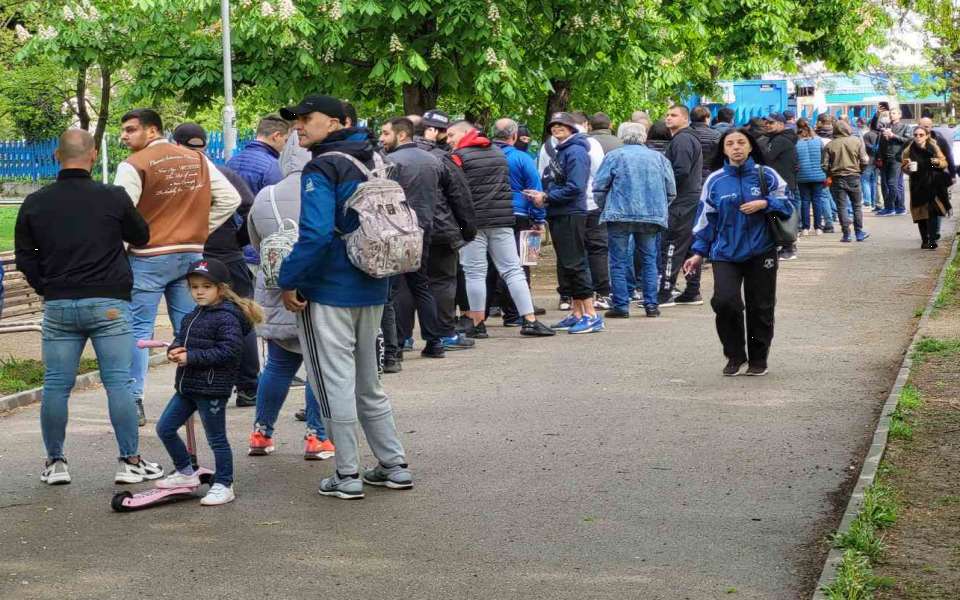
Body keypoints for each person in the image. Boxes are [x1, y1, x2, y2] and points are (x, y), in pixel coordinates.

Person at [277, 94, 412, 499]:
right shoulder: (374, 158)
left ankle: (347, 474)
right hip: (374, 279)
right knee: (368, 380)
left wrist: (289, 279)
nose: (298, 126)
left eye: (307, 119)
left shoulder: (323, 166)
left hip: (330, 287)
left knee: (329, 379)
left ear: (335, 123)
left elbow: (315, 233)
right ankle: (393, 465)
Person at [14, 129, 164, 485]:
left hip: (59, 304)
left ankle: (55, 463)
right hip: (109, 303)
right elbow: (141, 236)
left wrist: (47, 287)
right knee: (119, 383)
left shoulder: (35, 202)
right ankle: (129, 461)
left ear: (55, 156)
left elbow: (25, 258)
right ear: (94, 155)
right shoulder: (111, 196)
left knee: (55, 385)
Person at [115, 108, 241, 426]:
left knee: (140, 331)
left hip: (147, 257)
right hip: (190, 255)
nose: (124, 136)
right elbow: (230, 198)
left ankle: (134, 401)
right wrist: (199, 232)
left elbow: (120, 215)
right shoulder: (197, 159)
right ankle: (196, 396)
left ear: (153, 130)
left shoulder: (133, 165)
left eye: (130, 129)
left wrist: (124, 248)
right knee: (191, 327)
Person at [246, 131, 334, 460]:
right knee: (318, 367)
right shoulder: (325, 190)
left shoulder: (266, 195)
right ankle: (316, 436)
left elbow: (257, 244)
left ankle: (261, 433)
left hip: (274, 294)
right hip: (317, 290)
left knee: (278, 367)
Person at [684, 128, 792, 377]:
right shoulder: (715, 180)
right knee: (724, 302)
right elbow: (706, 219)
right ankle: (734, 355)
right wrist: (698, 252)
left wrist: (766, 203)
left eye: (741, 142)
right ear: (723, 149)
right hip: (725, 253)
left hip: (762, 251)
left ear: (751, 146)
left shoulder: (768, 175)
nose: (736, 147)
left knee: (761, 307)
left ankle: (758, 359)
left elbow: (789, 204)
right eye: (730, 143)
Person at [155, 258, 262, 506]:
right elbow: (180, 339)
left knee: (216, 439)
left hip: (212, 388)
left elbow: (230, 351)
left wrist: (190, 357)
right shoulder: (192, 315)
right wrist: (175, 350)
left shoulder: (227, 317)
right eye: (194, 287)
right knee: (165, 428)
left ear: (221, 288)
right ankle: (184, 472)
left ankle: (224, 484)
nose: (199, 292)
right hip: (187, 386)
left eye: (206, 286)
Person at [172, 123, 261, 407]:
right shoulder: (225, 174)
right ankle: (248, 386)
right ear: (205, 144)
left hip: (189, 254)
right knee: (242, 317)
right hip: (228, 255)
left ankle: (198, 385)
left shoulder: (174, 178)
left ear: (175, 144)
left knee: (196, 320)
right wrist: (238, 239)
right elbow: (250, 208)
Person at [445, 120, 555, 338]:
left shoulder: (458, 158)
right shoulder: (498, 153)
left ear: (466, 133)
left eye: (451, 135)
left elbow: (456, 193)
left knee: (475, 272)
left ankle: (478, 324)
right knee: (513, 269)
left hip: (473, 223)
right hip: (503, 219)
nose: (449, 140)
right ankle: (530, 320)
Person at [526, 112, 602, 333]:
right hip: (560, 212)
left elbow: (576, 186)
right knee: (568, 265)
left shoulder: (576, 151)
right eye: (553, 125)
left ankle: (591, 315)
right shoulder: (562, 151)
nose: (557, 128)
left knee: (576, 264)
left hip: (571, 213)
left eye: (562, 125)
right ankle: (577, 313)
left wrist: (547, 197)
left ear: (572, 128)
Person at [379, 116, 447, 358]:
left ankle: (395, 345)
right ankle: (434, 342)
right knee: (420, 284)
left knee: (394, 288)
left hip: (396, 230)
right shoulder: (433, 160)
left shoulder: (390, 161)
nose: (381, 138)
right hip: (423, 228)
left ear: (402, 135)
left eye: (386, 134)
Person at [409, 114, 478, 355]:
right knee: (442, 282)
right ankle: (445, 333)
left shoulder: (390, 158)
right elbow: (461, 197)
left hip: (402, 232)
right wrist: (467, 230)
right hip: (439, 230)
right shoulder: (443, 159)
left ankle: (402, 337)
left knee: (405, 285)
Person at [592, 122, 676, 318]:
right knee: (649, 260)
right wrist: (658, 208)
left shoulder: (614, 156)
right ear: (644, 136)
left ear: (622, 136)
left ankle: (621, 306)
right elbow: (671, 190)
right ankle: (651, 305)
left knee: (618, 261)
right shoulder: (659, 158)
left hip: (619, 214)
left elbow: (599, 187)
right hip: (650, 216)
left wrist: (607, 206)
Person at [491, 117, 547, 327]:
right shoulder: (522, 158)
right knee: (522, 262)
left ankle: (489, 308)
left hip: (490, 215)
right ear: (514, 136)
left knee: (491, 264)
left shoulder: (484, 156)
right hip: (520, 215)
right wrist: (539, 219)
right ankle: (516, 312)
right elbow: (534, 191)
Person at [227, 115, 292, 274]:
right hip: (258, 248)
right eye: (286, 141)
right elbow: (277, 210)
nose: (286, 147)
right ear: (276, 136)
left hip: (232, 246)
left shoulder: (231, 161)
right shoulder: (273, 166)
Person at [658, 104, 704, 307]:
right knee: (687, 247)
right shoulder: (685, 138)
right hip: (689, 199)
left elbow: (681, 170)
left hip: (681, 201)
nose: (668, 118)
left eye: (673, 115)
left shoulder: (682, 139)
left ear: (685, 119)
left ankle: (665, 292)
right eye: (667, 114)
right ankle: (692, 291)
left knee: (671, 244)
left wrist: (666, 190)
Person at [572, 110, 612, 310]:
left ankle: (569, 296)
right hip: (592, 203)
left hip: (569, 206)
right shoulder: (592, 144)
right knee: (597, 249)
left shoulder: (550, 144)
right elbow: (600, 174)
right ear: (586, 124)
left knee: (572, 251)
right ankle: (602, 292)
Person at [902, 126, 950, 250]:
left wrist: (937, 162)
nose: (918, 137)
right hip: (918, 184)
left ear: (927, 136)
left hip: (933, 183)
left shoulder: (933, 147)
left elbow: (944, 162)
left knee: (933, 211)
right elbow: (903, 167)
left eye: (921, 135)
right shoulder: (908, 150)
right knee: (921, 213)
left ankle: (933, 239)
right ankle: (925, 240)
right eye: (916, 134)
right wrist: (907, 167)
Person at [822, 120, 870, 243]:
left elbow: (824, 165)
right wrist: (859, 171)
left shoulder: (830, 145)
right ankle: (859, 233)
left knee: (841, 207)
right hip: (854, 177)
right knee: (856, 206)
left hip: (837, 179)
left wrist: (830, 174)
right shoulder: (856, 141)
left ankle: (846, 234)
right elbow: (864, 160)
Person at [761, 112, 799, 260]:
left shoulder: (780, 140)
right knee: (781, 214)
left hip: (782, 183)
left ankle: (788, 248)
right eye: (767, 122)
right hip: (781, 182)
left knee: (785, 215)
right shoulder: (778, 138)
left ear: (781, 125)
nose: (767, 125)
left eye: (771, 123)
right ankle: (786, 246)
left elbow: (765, 156)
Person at [795, 118, 831, 236]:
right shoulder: (818, 140)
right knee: (817, 200)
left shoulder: (796, 142)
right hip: (818, 175)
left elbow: (794, 160)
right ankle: (818, 227)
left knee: (805, 201)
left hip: (802, 175)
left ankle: (805, 227)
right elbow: (824, 157)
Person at [876, 108, 911, 217]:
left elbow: (908, 141)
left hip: (897, 158)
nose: (891, 115)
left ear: (900, 115)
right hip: (885, 158)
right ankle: (900, 207)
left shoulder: (905, 127)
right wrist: (879, 157)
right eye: (890, 113)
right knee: (892, 184)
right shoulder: (886, 126)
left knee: (892, 183)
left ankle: (889, 207)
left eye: (894, 113)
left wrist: (893, 136)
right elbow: (880, 142)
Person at [690, 105, 722, 184]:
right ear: (706, 118)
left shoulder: (684, 133)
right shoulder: (715, 134)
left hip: (690, 176)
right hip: (709, 174)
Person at [861, 119, 881, 211]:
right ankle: (874, 202)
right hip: (878, 161)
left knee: (865, 181)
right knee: (874, 182)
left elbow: (865, 148)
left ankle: (867, 201)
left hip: (869, 161)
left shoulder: (867, 135)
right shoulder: (880, 135)